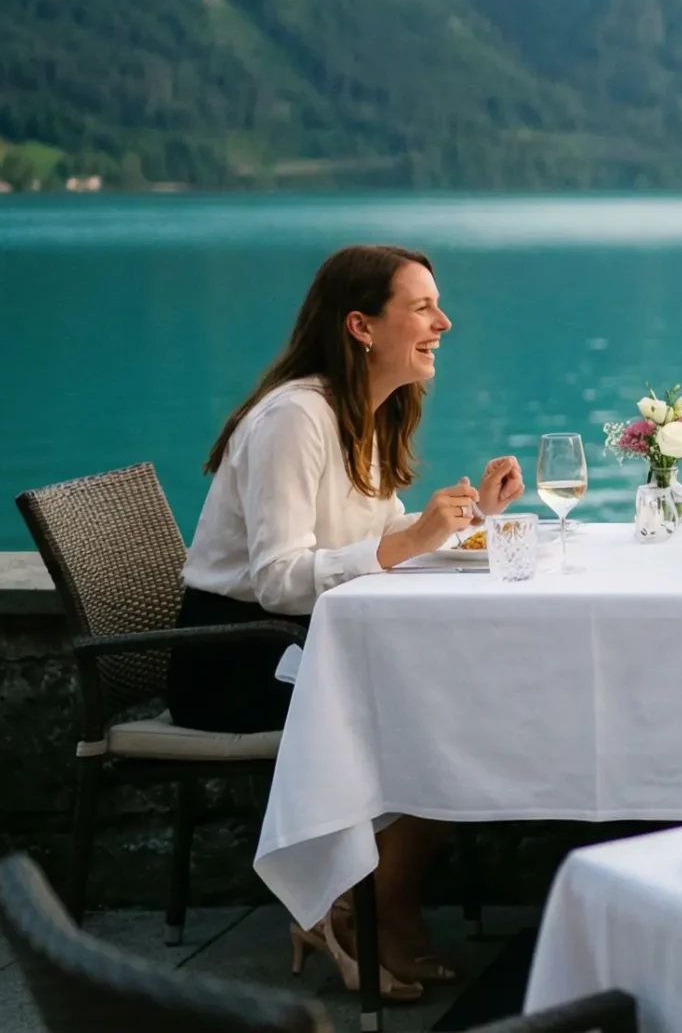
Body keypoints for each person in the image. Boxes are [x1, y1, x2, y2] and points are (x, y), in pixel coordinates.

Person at [176, 244, 521, 999]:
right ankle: (352, 906)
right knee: (428, 712)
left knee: (467, 702)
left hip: (306, 641)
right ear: (362, 326)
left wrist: (471, 523)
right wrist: (405, 542)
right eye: (423, 306)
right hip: (234, 654)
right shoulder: (296, 418)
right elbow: (275, 579)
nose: (444, 320)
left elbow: (379, 536)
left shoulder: (367, 413)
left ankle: (376, 902)